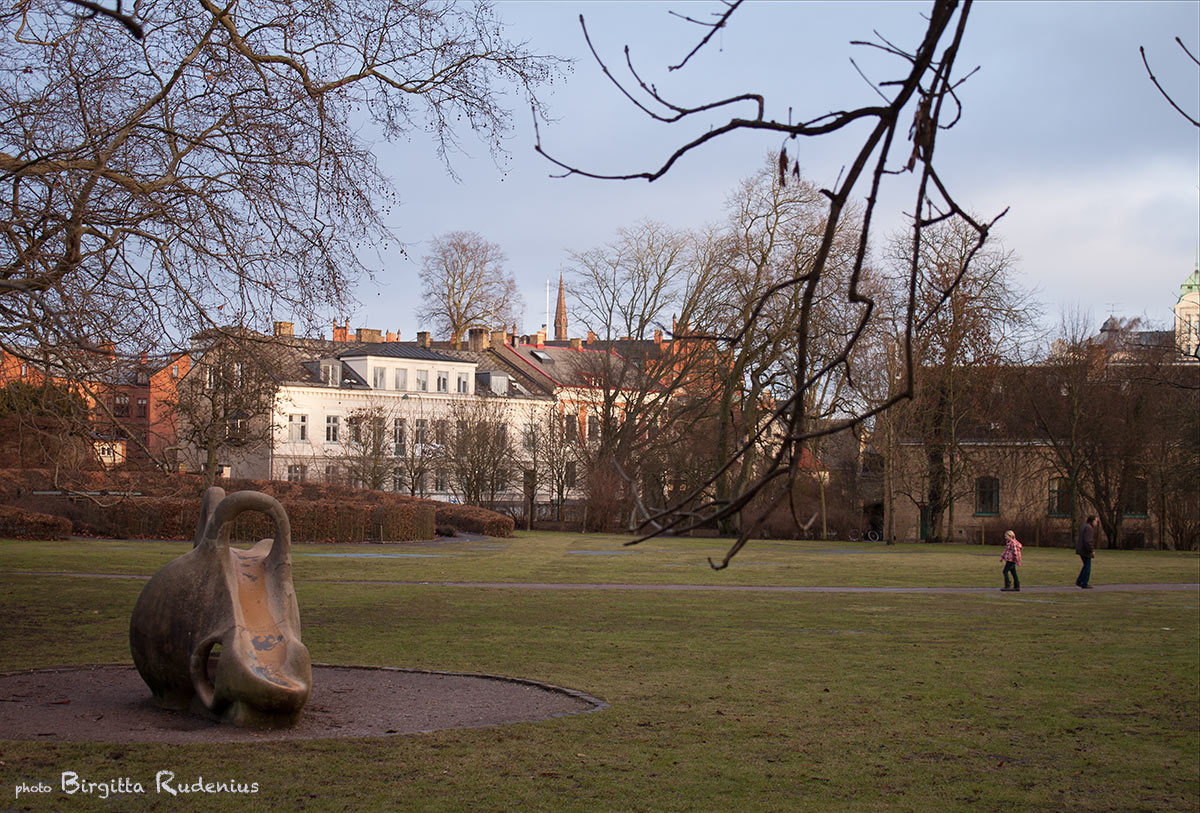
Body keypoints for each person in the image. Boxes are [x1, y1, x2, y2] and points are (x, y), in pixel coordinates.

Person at [1075, 516, 1098, 588]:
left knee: (1085, 566)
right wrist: (1091, 550)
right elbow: (1088, 541)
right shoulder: (1089, 528)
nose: (1096, 523)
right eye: (1096, 521)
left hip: (1081, 549)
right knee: (1088, 567)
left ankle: (1079, 581)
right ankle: (1084, 583)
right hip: (1085, 550)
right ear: (1093, 521)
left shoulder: (1083, 526)